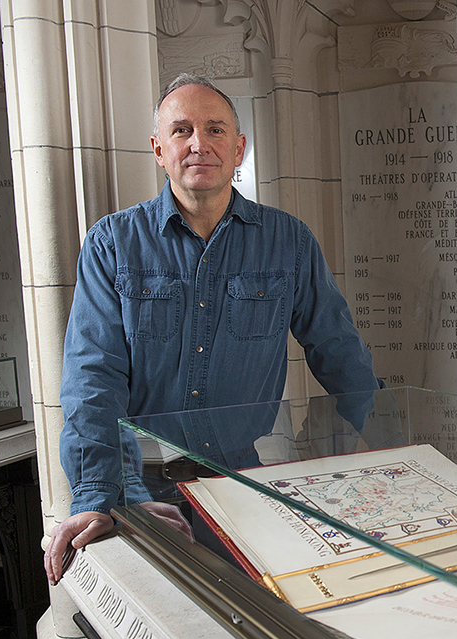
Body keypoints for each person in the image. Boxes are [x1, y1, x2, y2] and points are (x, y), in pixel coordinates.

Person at [45, 73, 381, 585]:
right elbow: (93, 376)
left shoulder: (288, 241)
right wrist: (95, 496)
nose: (199, 143)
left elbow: (338, 350)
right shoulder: (112, 243)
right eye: (181, 130)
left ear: (239, 148)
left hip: (244, 486)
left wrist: (389, 446)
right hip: (141, 493)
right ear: (159, 150)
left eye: (215, 129)